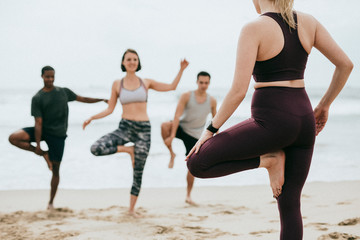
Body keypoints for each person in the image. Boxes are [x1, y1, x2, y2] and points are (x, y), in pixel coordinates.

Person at [186, 0, 353, 239]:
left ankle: (269, 161)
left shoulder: (254, 28)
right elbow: (345, 65)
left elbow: (237, 91)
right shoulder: (309, 22)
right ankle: (271, 161)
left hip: (272, 120)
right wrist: (324, 105)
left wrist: (210, 129)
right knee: (290, 204)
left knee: (197, 162)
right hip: (304, 119)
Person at [83, 49, 189, 217]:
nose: (132, 61)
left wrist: (181, 70)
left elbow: (171, 87)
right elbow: (110, 109)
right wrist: (91, 118)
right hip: (124, 128)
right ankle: (128, 150)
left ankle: (131, 210)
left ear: (138, 63)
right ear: (123, 63)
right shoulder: (117, 84)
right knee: (96, 148)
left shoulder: (145, 82)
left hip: (143, 130)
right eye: (128, 59)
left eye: (134, 59)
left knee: (138, 172)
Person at [8, 66, 108, 210]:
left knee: (55, 170)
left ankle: (50, 203)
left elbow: (83, 98)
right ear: (42, 76)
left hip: (58, 136)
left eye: (52, 76)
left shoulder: (63, 92)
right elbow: (38, 122)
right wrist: (38, 147)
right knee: (14, 138)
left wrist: (102, 99)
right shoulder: (37, 98)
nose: (50, 79)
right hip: (42, 131)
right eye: (47, 76)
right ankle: (44, 154)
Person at [161, 71, 217, 205]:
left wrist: (216, 138)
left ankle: (188, 195)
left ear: (209, 83)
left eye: (206, 83)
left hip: (195, 136)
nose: (203, 85)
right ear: (197, 82)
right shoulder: (187, 96)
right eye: (201, 82)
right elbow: (176, 115)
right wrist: (172, 136)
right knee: (164, 126)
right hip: (181, 127)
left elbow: (215, 121)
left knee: (192, 165)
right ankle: (171, 154)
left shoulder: (212, 101)